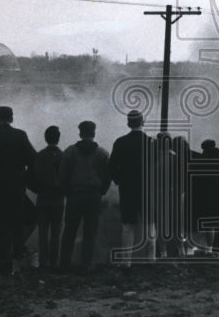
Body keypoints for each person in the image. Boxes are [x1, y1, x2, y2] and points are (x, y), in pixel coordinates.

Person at [0, 106, 38, 274]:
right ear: (11, 118)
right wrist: (26, 173)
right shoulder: (20, 135)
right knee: (22, 216)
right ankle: (17, 252)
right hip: (17, 180)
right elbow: (33, 158)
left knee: (2, 218)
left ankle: (3, 255)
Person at [58, 120, 111, 274]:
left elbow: (62, 176)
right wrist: (101, 191)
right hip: (93, 196)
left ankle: (64, 264)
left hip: (75, 195)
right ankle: (85, 264)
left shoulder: (69, 152)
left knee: (69, 230)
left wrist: (68, 192)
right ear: (93, 134)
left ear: (80, 133)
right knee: (90, 231)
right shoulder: (102, 153)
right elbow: (108, 177)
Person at [109, 110, 157, 265]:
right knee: (149, 226)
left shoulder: (120, 142)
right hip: (147, 190)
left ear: (128, 123)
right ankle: (151, 259)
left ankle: (126, 262)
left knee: (128, 227)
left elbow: (112, 167)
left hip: (128, 189)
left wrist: (120, 180)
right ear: (142, 122)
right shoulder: (151, 142)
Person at [190, 140, 219, 254]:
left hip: (210, 197)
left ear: (204, 149)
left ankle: (212, 247)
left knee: (210, 223)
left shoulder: (203, 160)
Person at [32, 126, 65, 272]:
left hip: (43, 197)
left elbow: (29, 178)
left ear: (46, 138)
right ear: (58, 138)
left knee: (43, 233)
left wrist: (38, 189)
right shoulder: (64, 156)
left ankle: (43, 262)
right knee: (56, 233)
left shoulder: (39, 156)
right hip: (58, 199)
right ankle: (54, 263)